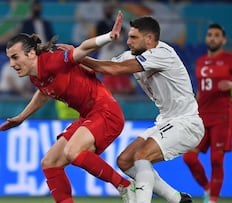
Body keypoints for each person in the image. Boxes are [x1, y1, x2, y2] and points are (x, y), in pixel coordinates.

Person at [0, 11, 136, 203]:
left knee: (73, 152)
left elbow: (82, 49)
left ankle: (126, 186)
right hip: (88, 116)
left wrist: (108, 37)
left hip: (105, 111)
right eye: (9, 59)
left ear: (30, 53)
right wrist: (21, 117)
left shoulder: (53, 61)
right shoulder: (35, 75)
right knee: (50, 163)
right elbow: (44, 93)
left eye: (15, 57)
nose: (12, 64)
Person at [74, 15, 204, 203]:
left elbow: (113, 69)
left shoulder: (163, 53)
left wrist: (80, 57)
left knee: (142, 156)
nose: (128, 41)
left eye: (134, 37)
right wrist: (71, 59)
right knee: (125, 161)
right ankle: (177, 199)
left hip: (186, 123)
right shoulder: (131, 55)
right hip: (165, 121)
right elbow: (101, 68)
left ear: (150, 39)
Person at [182, 23, 232, 203]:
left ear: (223, 40)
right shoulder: (201, 61)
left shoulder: (229, 59)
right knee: (188, 157)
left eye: (217, 35)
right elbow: (202, 90)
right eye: (210, 35)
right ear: (206, 38)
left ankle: (212, 199)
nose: (213, 38)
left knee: (216, 161)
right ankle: (207, 187)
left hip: (222, 117)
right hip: (201, 118)